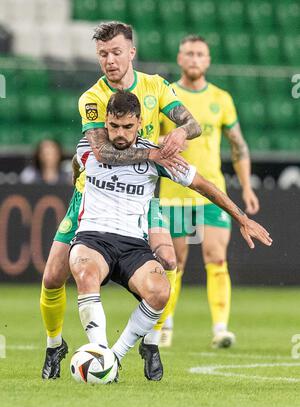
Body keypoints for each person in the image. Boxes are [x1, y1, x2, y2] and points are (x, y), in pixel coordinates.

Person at [70, 91, 271, 382]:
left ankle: (113, 357)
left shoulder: (157, 156)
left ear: (140, 122)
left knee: (160, 292)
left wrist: (241, 218)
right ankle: (99, 349)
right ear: (106, 121)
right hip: (92, 237)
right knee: (86, 271)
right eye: (114, 126)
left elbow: (204, 185)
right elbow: (78, 169)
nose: (120, 133)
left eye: (128, 127)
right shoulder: (88, 147)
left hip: (132, 244)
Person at [40, 21, 200, 380]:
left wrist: (179, 130)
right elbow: (103, 152)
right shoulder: (92, 97)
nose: (109, 60)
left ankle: (151, 343)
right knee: (52, 277)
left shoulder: (156, 86)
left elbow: (194, 124)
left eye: (115, 52)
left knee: (169, 260)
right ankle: (55, 346)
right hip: (93, 195)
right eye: (102, 54)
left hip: (142, 196)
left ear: (131, 52)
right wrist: (154, 156)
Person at [158, 35, 260, 348]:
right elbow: (148, 136)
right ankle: (164, 326)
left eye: (200, 54)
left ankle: (220, 329)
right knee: (173, 262)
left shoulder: (222, 98)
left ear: (208, 60)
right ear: (179, 58)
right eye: (188, 53)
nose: (194, 58)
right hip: (174, 191)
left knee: (216, 257)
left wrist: (246, 187)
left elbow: (238, 145)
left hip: (212, 190)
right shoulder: (167, 95)